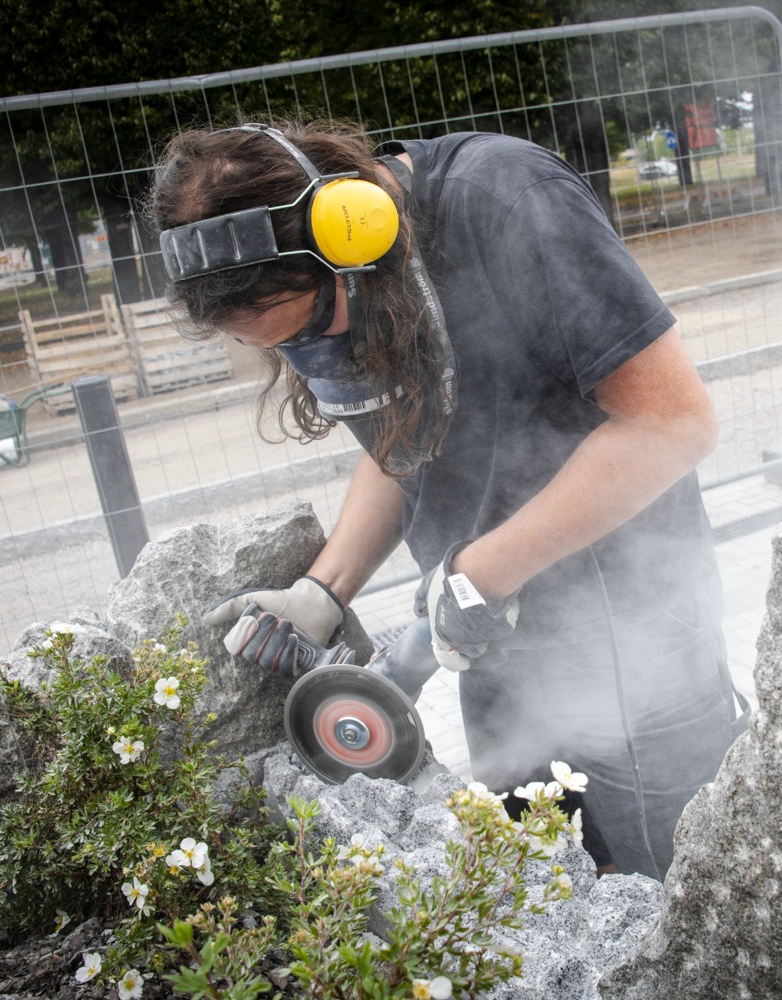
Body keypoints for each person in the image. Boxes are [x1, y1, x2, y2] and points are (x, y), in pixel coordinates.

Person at [148, 118, 744, 880]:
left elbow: (672, 421)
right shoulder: (348, 286)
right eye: (277, 347)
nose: (308, 357)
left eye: (310, 327)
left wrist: (480, 573)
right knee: (543, 908)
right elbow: (403, 437)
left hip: (634, 644)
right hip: (490, 650)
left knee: (677, 907)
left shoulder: (506, 200)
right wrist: (323, 590)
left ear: (353, 235)